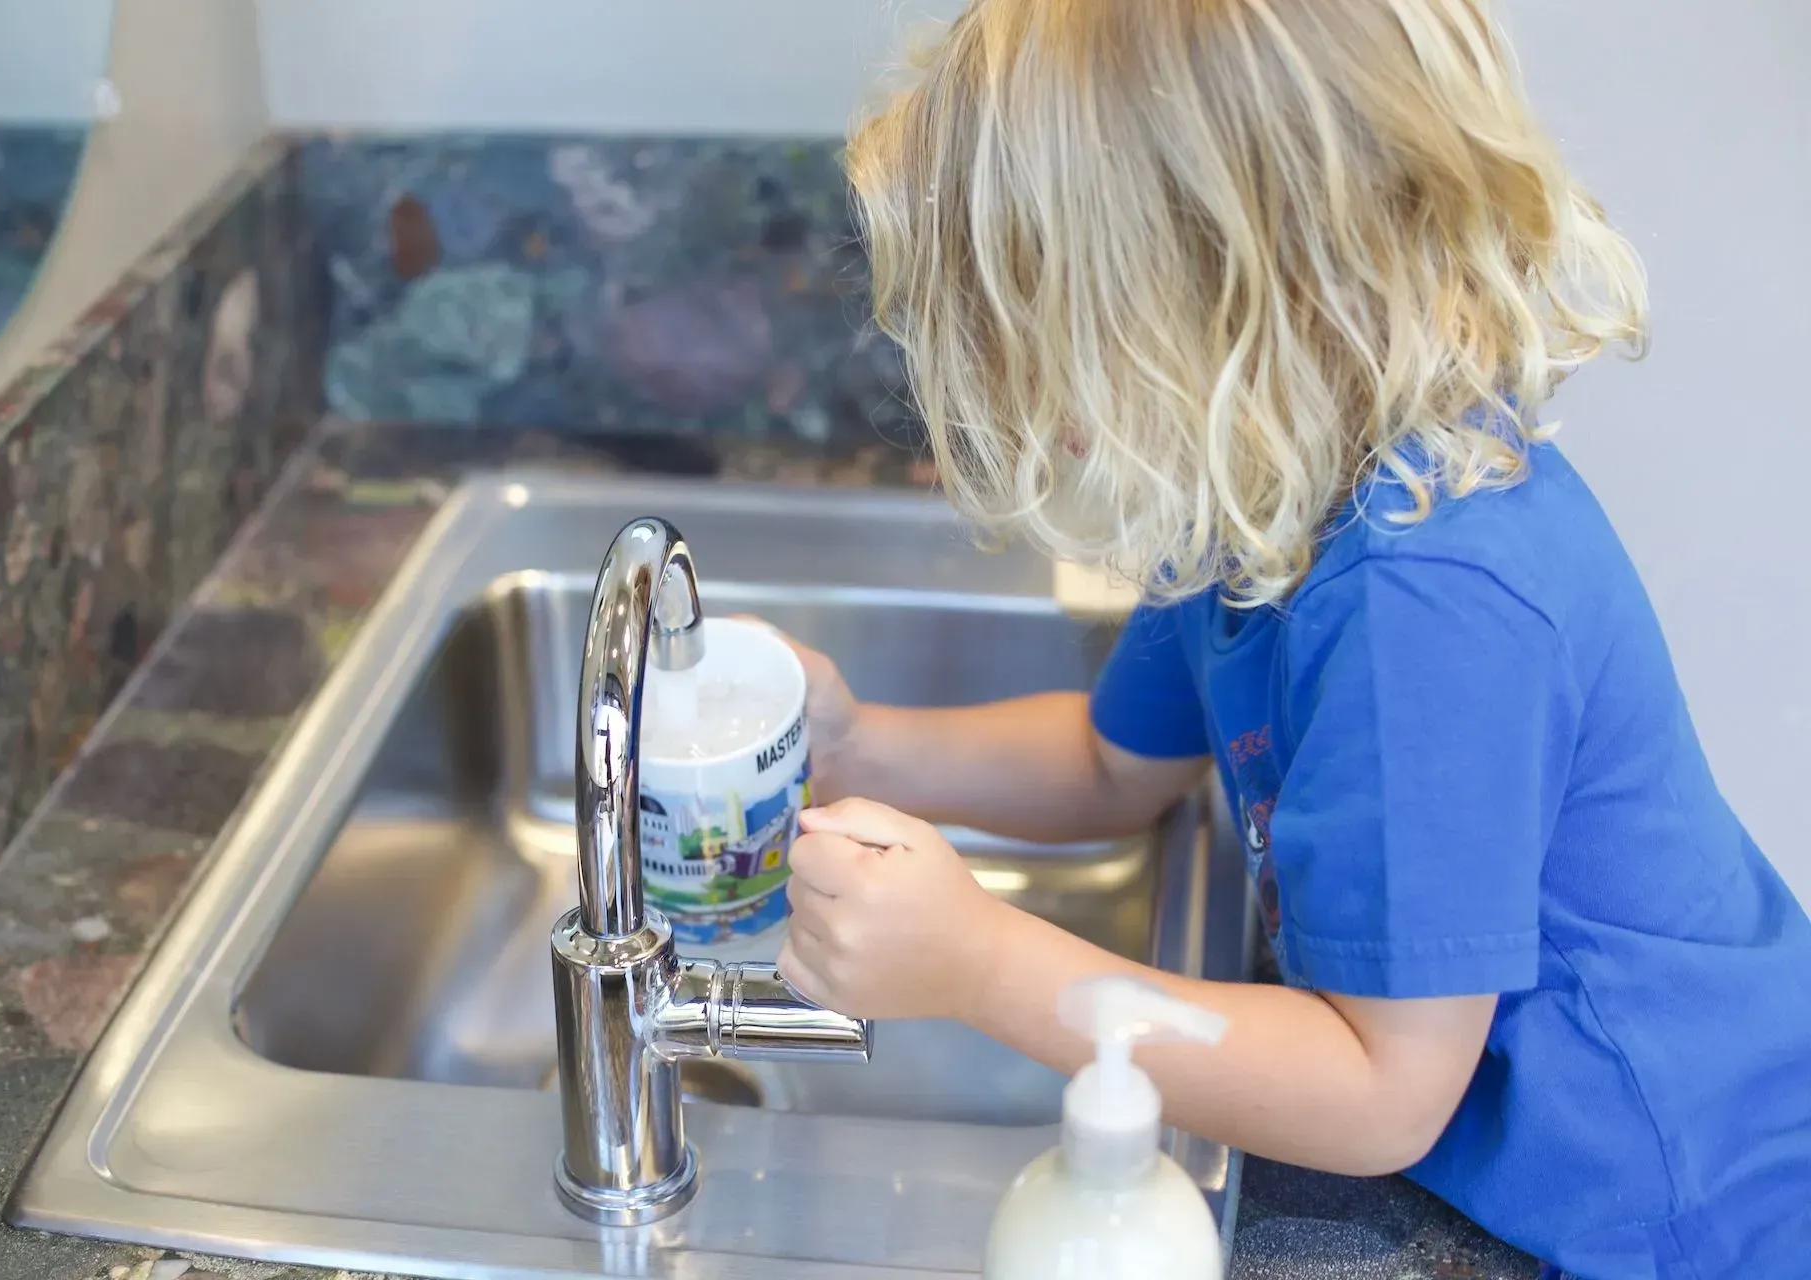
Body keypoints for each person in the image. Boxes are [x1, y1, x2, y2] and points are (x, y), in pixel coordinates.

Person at [768, 2, 1811, 1276]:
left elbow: (1380, 1092)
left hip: (1678, 1214)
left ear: (1194, 302)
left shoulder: (1427, 593)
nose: (1008, 378)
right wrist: (857, 743)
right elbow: (1113, 767)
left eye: (1032, 322)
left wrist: (975, 961)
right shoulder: (1258, 486)